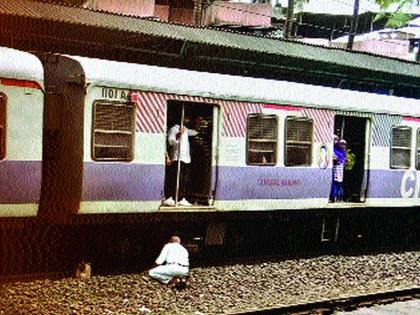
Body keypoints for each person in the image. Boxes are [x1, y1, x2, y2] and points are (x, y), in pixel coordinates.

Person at [163, 115, 199, 207]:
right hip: (177, 157)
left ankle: (181, 198)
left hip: (185, 158)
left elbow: (194, 132)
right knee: (175, 179)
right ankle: (170, 197)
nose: (188, 120)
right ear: (181, 119)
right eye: (186, 118)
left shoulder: (185, 129)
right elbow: (171, 141)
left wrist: (199, 126)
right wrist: (178, 134)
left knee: (183, 180)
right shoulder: (174, 129)